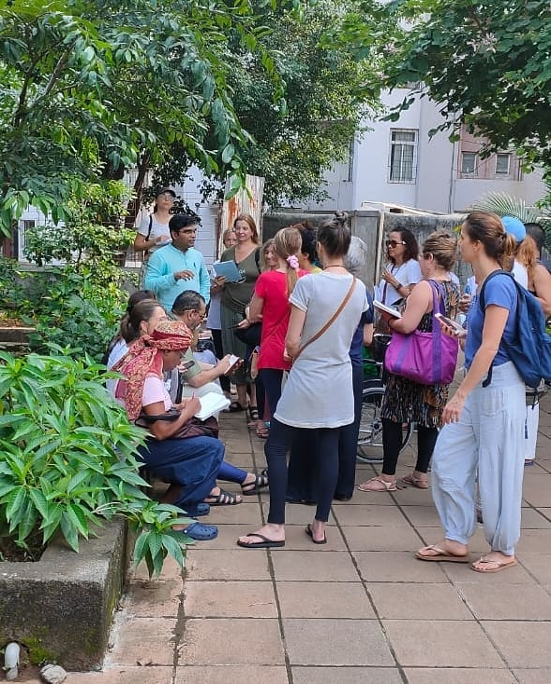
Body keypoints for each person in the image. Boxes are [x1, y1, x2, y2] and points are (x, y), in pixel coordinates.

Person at [237, 212, 368, 549]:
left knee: (277, 445)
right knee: (329, 449)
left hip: (306, 375)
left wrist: (291, 354)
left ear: (320, 246)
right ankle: (320, 524)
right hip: (339, 378)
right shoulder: (358, 287)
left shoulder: (309, 283)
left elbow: (291, 343)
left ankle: (276, 524)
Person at [417, 211, 526, 573]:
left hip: (497, 388)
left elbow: (492, 348)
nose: (458, 242)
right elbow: (486, 340)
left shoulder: (498, 284)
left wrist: (460, 394)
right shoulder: (483, 285)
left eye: (462, 236)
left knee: (497, 470)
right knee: (447, 459)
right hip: (483, 385)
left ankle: (503, 547)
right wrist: (464, 335)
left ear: (477, 244)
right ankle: (456, 537)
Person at [358, 231, 459, 492]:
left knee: (393, 415)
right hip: (437, 362)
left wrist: (389, 318)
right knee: (429, 418)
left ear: (430, 258)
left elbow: (407, 325)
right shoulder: (452, 286)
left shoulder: (426, 287)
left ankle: (387, 476)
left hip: (412, 363)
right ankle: (420, 473)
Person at [243, 226, 308, 439]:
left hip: (272, 348)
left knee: (276, 401)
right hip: (298, 349)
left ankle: (278, 445)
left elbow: (253, 314)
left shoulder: (267, 279)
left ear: (277, 249)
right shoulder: (307, 278)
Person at [219, 213, 261, 418]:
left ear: (252, 230)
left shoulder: (259, 252)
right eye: (238, 228)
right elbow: (221, 279)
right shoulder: (227, 253)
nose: (241, 232)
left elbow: (265, 279)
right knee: (232, 351)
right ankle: (241, 399)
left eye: (245, 228)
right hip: (228, 306)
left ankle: (254, 402)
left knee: (251, 351)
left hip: (251, 308)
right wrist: (219, 282)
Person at [170, 290, 242, 400]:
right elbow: (196, 380)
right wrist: (219, 369)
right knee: (213, 390)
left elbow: (188, 364)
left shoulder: (171, 322)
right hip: (165, 389)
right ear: (191, 314)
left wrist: (220, 367)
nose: (202, 320)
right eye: (201, 316)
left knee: (212, 375)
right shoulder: (178, 331)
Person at [144, 213, 211, 312]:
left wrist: (203, 303)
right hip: (170, 315)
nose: (193, 235)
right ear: (175, 235)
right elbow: (149, 286)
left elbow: (205, 282)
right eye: (188, 232)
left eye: (194, 231)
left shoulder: (197, 256)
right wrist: (173, 277)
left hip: (195, 316)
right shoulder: (159, 256)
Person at [207, 228, 238, 400]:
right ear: (224, 242)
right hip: (219, 315)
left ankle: (242, 389)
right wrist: (220, 285)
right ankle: (225, 389)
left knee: (239, 351)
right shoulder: (217, 265)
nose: (232, 243)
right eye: (228, 240)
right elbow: (210, 292)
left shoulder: (245, 263)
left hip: (237, 314)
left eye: (234, 240)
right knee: (221, 351)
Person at [133, 187, 175, 257]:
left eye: (170, 197)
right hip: (153, 261)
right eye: (163, 196)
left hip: (172, 261)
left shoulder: (177, 220)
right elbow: (137, 246)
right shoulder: (148, 220)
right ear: (156, 200)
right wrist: (156, 241)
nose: (166, 199)